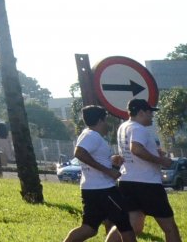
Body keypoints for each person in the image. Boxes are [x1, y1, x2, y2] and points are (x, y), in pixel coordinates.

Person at [61, 105, 135, 242]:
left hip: (92, 189)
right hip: (104, 190)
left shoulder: (88, 134)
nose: (107, 124)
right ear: (100, 120)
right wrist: (108, 171)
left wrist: (112, 161)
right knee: (125, 225)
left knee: (89, 228)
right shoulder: (92, 136)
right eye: (106, 120)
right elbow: (79, 153)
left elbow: (93, 157)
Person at [115, 98, 180, 242]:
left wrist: (154, 152)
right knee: (170, 227)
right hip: (147, 183)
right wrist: (161, 160)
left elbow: (131, 151)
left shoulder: (123, 127)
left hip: (127, 181)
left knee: (131, 225)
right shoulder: (139, 128)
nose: (152, 116)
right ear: (141, 112)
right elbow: (136, 149)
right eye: (150, 112)